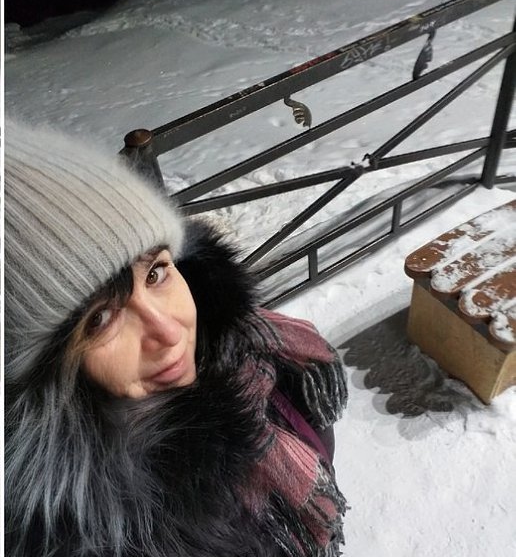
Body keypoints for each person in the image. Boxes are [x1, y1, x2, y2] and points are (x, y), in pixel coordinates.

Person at [4, 119, 349, 557]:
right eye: (100, 319)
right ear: (41, 368)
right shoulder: (91, 537)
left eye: (155, 273)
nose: (168, 331)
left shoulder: (261, 352)